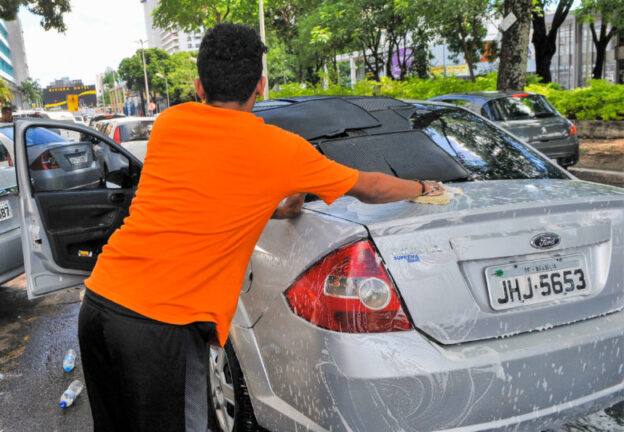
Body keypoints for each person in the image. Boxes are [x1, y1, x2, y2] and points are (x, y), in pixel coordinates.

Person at [78, 23, 444, 432]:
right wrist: (424, 186)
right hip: (161, 328)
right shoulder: (280, 149)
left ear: (199, 87)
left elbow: (195, 197)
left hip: (99, 303)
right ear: (261, 85)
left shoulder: (168, 123)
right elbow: (371, 188)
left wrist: (270, 209)